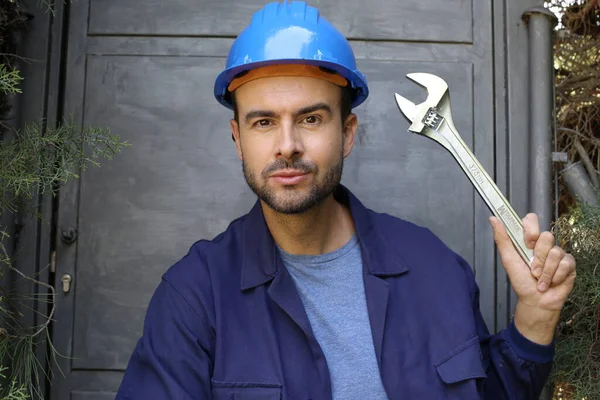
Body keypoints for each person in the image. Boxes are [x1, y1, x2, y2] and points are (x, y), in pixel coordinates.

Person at [116, 1, 576, 399]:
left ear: (347, 133)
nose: (288, 144)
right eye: (263, 123)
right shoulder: (193, 299)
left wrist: (535, 318)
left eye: (311, 118)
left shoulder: (436, 268)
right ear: (237, 138)